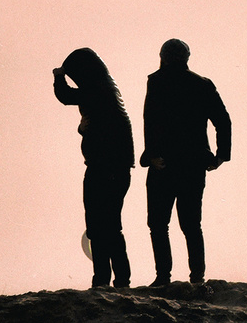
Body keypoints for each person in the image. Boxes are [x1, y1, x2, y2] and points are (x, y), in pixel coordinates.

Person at [141, 39, 231, 285]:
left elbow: (150, 120)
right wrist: (221, 155)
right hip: (193, 164)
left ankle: (163, 277)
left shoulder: (156, 81)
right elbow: (223, 120)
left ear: (163, 56)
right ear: (187, 58)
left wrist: (152, 155)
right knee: (191, 224)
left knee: (158, 224)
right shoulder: (203, 84)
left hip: (164, 163)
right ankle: (197, 277)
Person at [53, 48, 134, 288]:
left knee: (99, 227)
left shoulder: (97, 89)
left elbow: (66, 96)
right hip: (116, 167)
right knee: (108, 225)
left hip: (103, 167)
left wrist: (59, 76)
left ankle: (105, 279)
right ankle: (118, 279)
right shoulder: (108, 89)